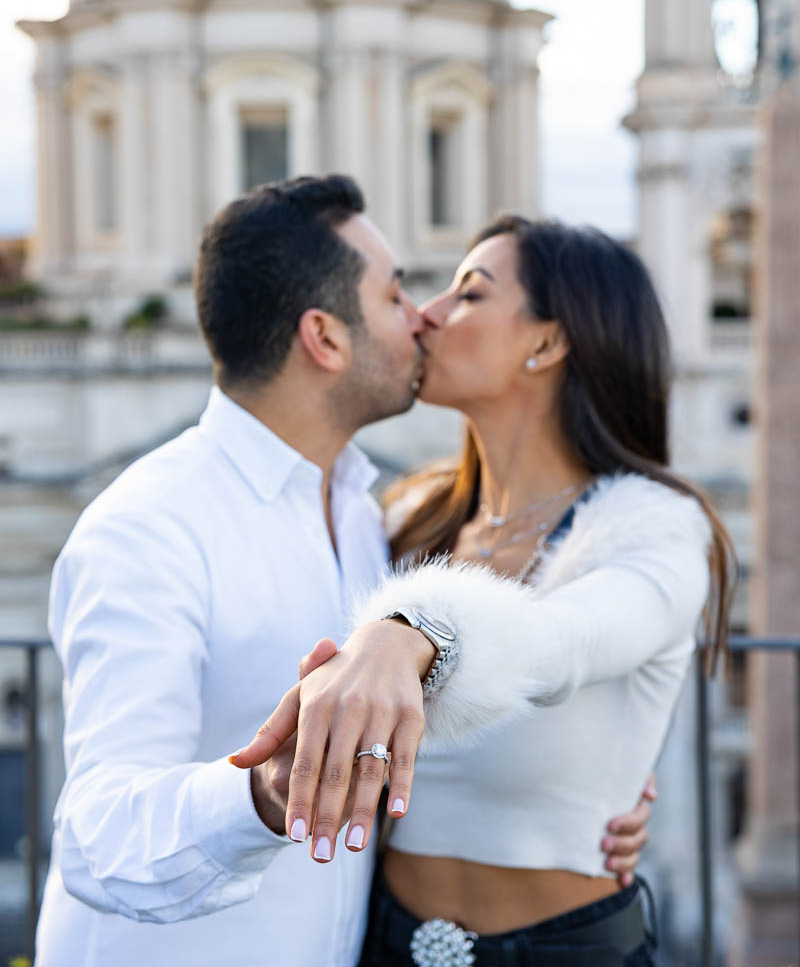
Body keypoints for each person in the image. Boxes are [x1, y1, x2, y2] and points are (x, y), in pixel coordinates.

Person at [36, 179, 650, 967]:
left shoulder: (373, 516)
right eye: (395, 296)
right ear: (325, 338)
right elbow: (98, 836)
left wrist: (593, 789)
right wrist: (264, 792)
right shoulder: (149, 529)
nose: (422, 316)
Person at [234, 216, 736, 966]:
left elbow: (560, 644)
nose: (429, 312)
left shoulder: (653, 532)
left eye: (469, 294)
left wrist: (405, 632)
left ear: (547, 342)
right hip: (377, 939)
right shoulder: (402, 520)